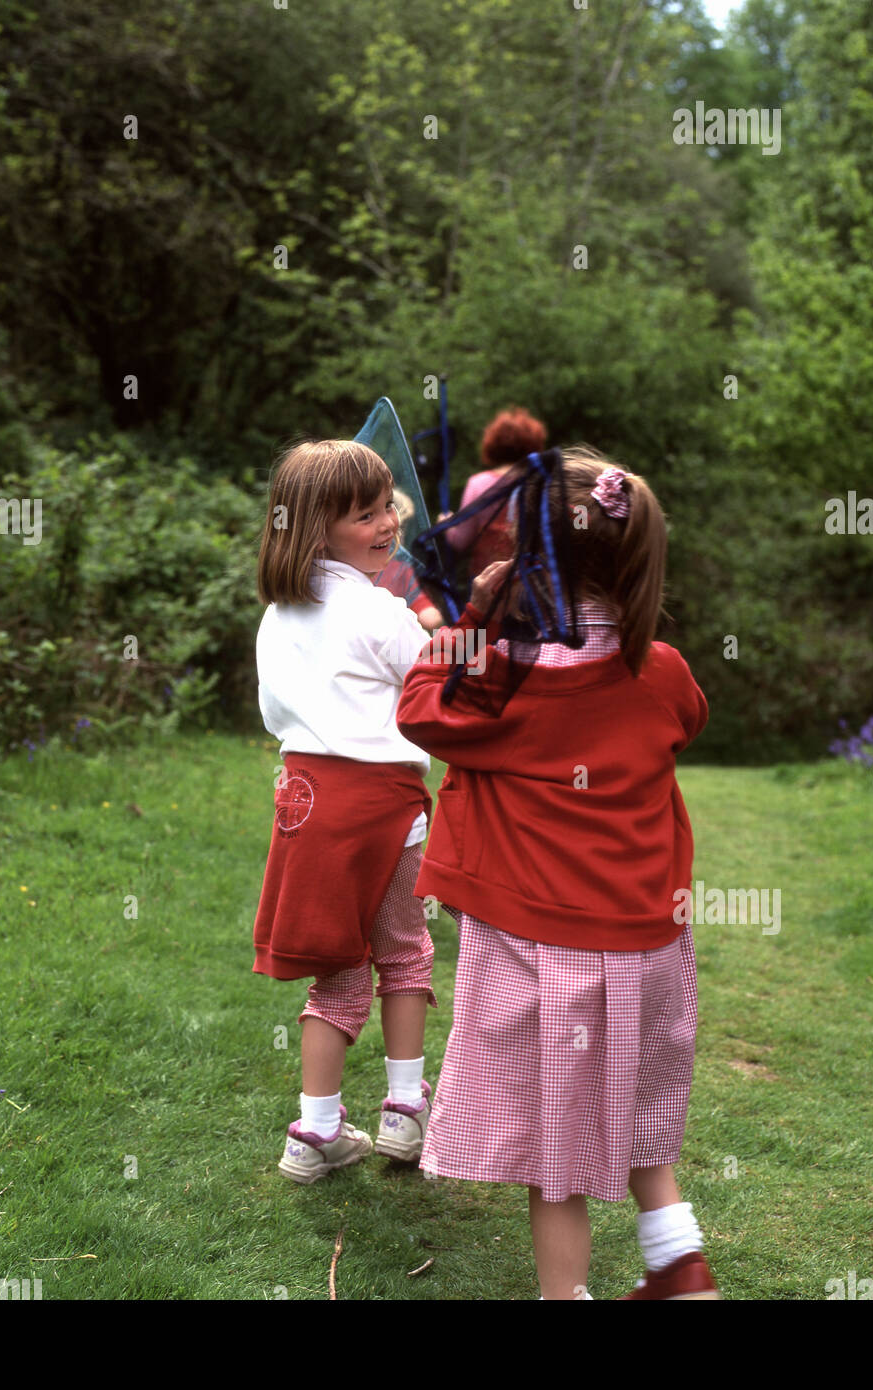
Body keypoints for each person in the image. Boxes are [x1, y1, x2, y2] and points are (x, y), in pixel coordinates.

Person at [396, 447, 717, 1301]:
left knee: (555, 1153)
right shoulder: (664, 672)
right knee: (642, 1113)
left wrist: (478, 609)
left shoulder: (496, 683)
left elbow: (419, 709)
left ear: (528, 552)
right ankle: (679, 1267)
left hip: (544, 950)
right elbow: (683, 722)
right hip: (648, 941)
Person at [253, 439, 438, 1184]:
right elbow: (431, 687)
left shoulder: (277, 616)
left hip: (304, 801)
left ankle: (316, 1131)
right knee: (402, 950)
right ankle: (403, 1110)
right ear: (317, 529)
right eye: (364, 514)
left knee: (333, 969)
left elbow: (273, 713)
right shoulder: (377, 609)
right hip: (384, 806)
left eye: (387, 504)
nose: (387, 521)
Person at [438, 408, 547, 583]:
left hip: (488, 580)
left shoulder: (478, 483)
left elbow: (460, 540)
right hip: (531, 582)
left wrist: (445, 524)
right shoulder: (542, 484)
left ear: (493, 444)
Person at [374, 488, 444, 631]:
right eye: (400, 527)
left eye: (404, 527)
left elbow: (425, 611)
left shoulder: (402, 567)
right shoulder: (353, 569)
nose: (400, 534)